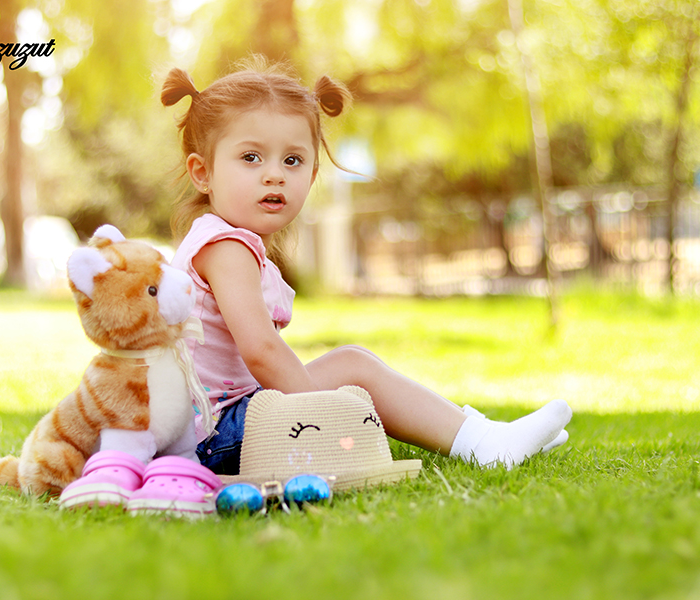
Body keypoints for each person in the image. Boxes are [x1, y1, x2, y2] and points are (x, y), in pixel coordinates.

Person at [164, 56, 572, 478]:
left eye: (292, 160)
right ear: (202, 172)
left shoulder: (227, 242)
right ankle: (481, 441)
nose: (274, 175)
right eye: (251, 157)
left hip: (220, 423)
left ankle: (481, 433)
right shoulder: (226, 248)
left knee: (354, 359)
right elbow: (262, 351)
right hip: (211, 436)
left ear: (313, 174)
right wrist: (321, 415)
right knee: (352, 367)